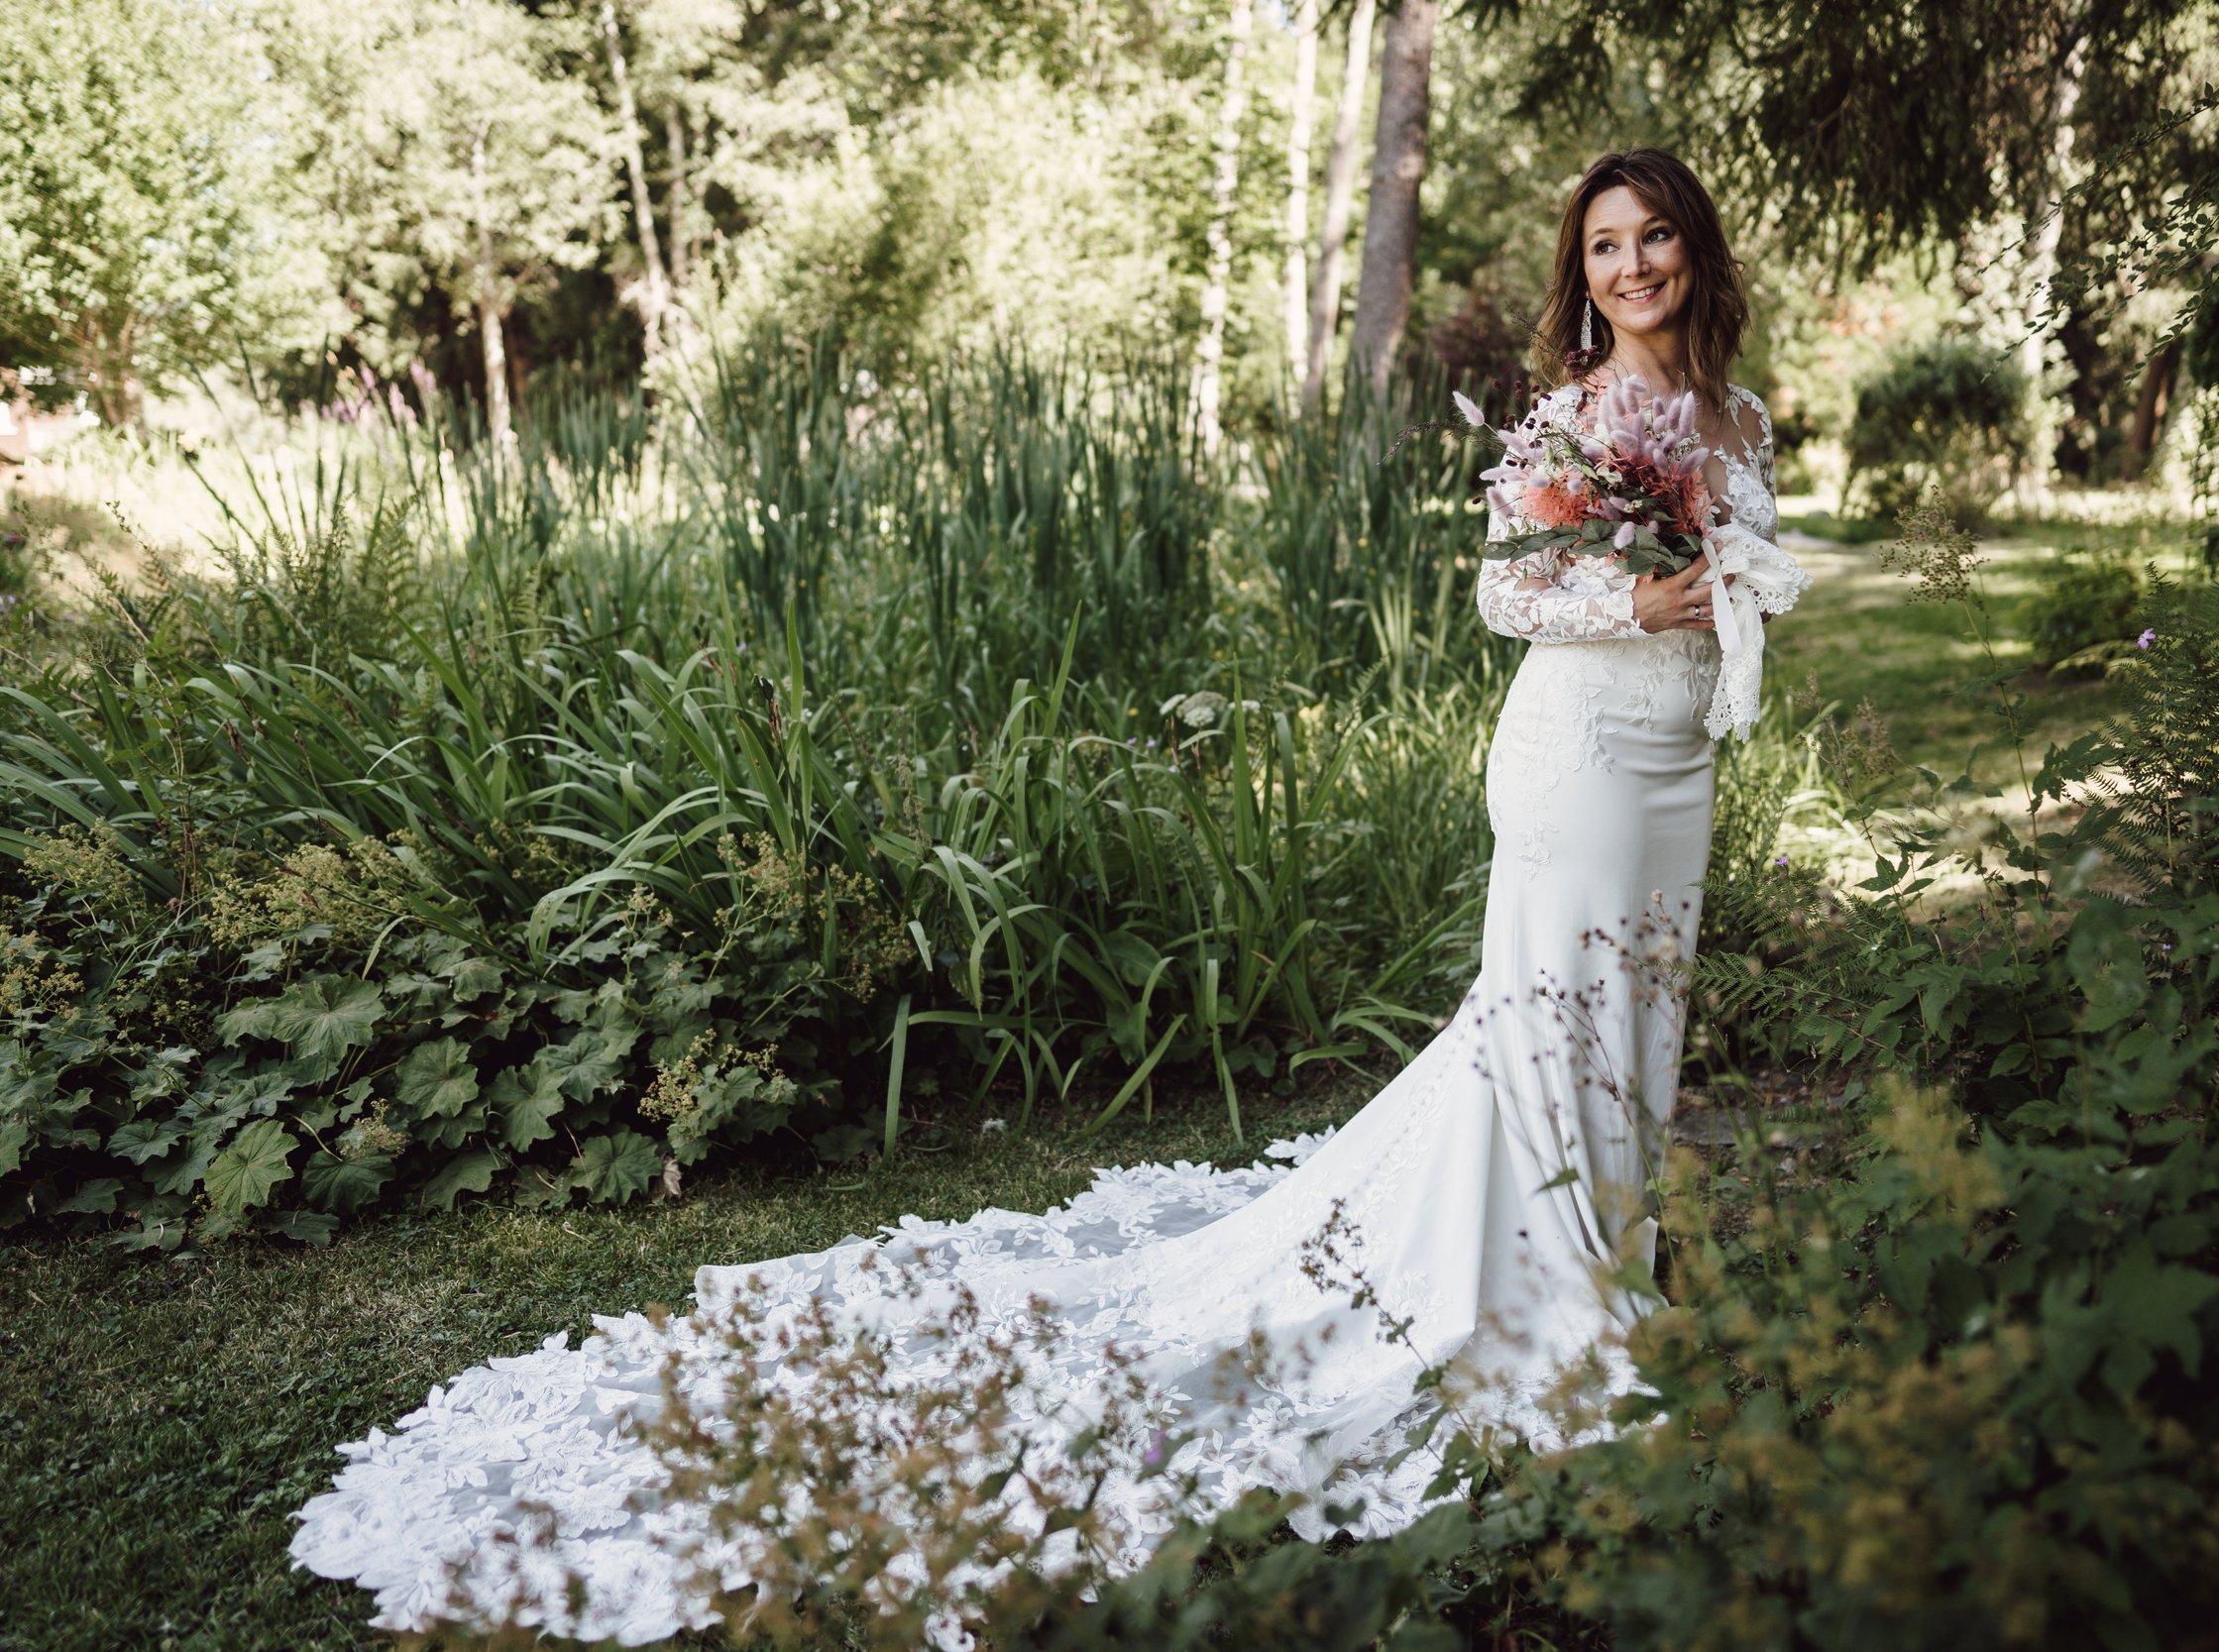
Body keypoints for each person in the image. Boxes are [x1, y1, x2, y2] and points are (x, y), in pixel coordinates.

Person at [288, 146, 1798, 1645]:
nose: (1633, 265)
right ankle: (1554, 1310)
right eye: (1606, 245)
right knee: (1548, 1008)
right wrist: (1632, 594)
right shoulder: (1574, 413)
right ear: (1580, 272)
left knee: (1634, 1008)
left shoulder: (1738, 416)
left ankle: (1607, 1261)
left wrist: (1720, 608)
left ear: (1693, 250)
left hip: (1680, 763)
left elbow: (1757, 567)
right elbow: (1503, 590)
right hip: (1578, 753)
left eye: (1655, 237)